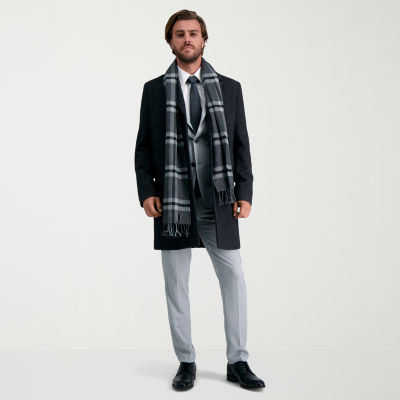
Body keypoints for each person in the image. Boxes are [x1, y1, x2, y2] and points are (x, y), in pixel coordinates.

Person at [134, 9, 265, 391]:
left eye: (193, 33)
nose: (187, 39)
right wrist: (147, 192)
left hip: (217, 201)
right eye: (180, 34)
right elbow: (144, 148)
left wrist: (245, 192)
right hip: (173, 203)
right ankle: (186, 361)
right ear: (170, 41)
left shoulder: (230, 88)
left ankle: (237, 361)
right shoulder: (154, 90)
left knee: (234, 278)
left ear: (204, 39)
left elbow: (241, 144)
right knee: (176, 285)